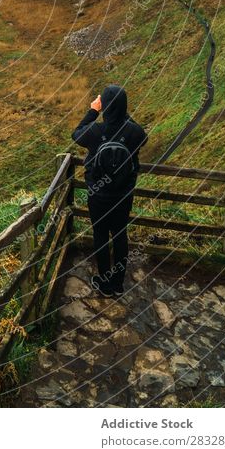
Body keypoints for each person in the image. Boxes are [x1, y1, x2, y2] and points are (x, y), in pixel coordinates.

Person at [71, 84, 147, 297]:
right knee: (120, 235)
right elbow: (143, 137)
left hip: (99, 194)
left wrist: (94, 111)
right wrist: (123, 114)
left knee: (101, 235)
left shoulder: (96, 131)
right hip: (123, 195)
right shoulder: (133, 132)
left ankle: (104, 284)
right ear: (124, 107)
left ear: (104, 105)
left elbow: (76, 134)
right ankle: (118, 284)